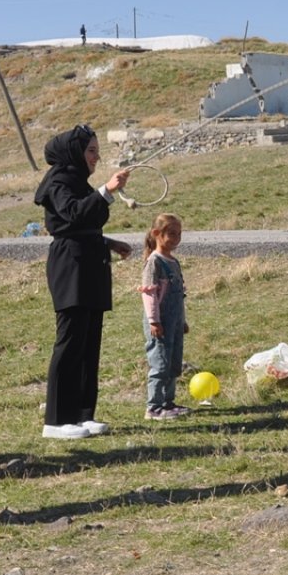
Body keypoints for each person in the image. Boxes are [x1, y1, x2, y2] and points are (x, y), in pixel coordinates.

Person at [34, 124, 131, 440]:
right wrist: (107, 190)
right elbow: (73, 215)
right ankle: (56, 420)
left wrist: (109, 243)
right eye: (91, 150)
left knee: (90, 344)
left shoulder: (78, 181)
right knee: (70, 343)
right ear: (74, 152)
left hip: (90, 264)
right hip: (70, 268)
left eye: (96, 151)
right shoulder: (59, 181)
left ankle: (82, 415)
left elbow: (85, 224)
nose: (96, 156)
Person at [138, 213, 191, 420]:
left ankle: (168, 403)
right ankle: (154, 407)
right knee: (159, 364)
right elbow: (149, 295)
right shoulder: (154, 262)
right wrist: (154, 320)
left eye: (179, 234)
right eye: (171, 234)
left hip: (174, 322)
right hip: (159, 323)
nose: (176, 238)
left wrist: (182, 320)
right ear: (156, 234)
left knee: (172, 363)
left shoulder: (174, 262)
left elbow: (180, 296)